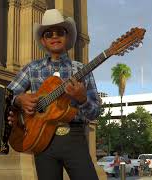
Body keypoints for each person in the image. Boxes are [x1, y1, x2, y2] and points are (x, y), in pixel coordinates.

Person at [7, 9, 101, 180]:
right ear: (43, 40)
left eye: (60, 32)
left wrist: (82, 99)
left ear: (67, 36)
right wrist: (19, 99)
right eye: (49, 33)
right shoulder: (32, 69)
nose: (54, 36)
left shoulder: (80, 69)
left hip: (74, 138)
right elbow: (7, 94)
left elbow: (95, 112)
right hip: (41, 139)